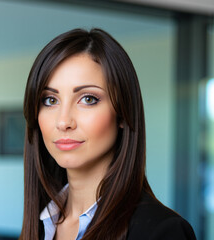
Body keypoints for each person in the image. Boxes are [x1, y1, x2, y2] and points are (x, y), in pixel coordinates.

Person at [19, 28, 196, 240]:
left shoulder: (162, 231)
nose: (64, 121)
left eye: (88, 99)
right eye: (50, 100)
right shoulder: (42, 225)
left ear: (122, 114)